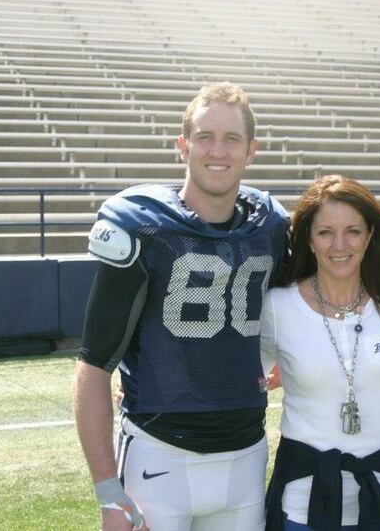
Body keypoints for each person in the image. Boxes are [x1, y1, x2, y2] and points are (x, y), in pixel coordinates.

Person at [73, 82, 289, 531]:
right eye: (205, 136)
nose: (218, 150)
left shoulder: (270, 226)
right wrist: (108, 492)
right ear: (182, 145)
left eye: (231, 139)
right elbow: (93, 366)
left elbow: (309, 300)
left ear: (252, 151)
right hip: (159, 454)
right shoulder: (143, 225)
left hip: (246, 457)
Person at [261, 175, 380, 531]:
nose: (339, 244)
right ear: (308, 238)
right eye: (325, 232)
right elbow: (240, 376)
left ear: (370, 235)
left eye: (353, 230)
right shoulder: (277, 305)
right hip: (304, 500)